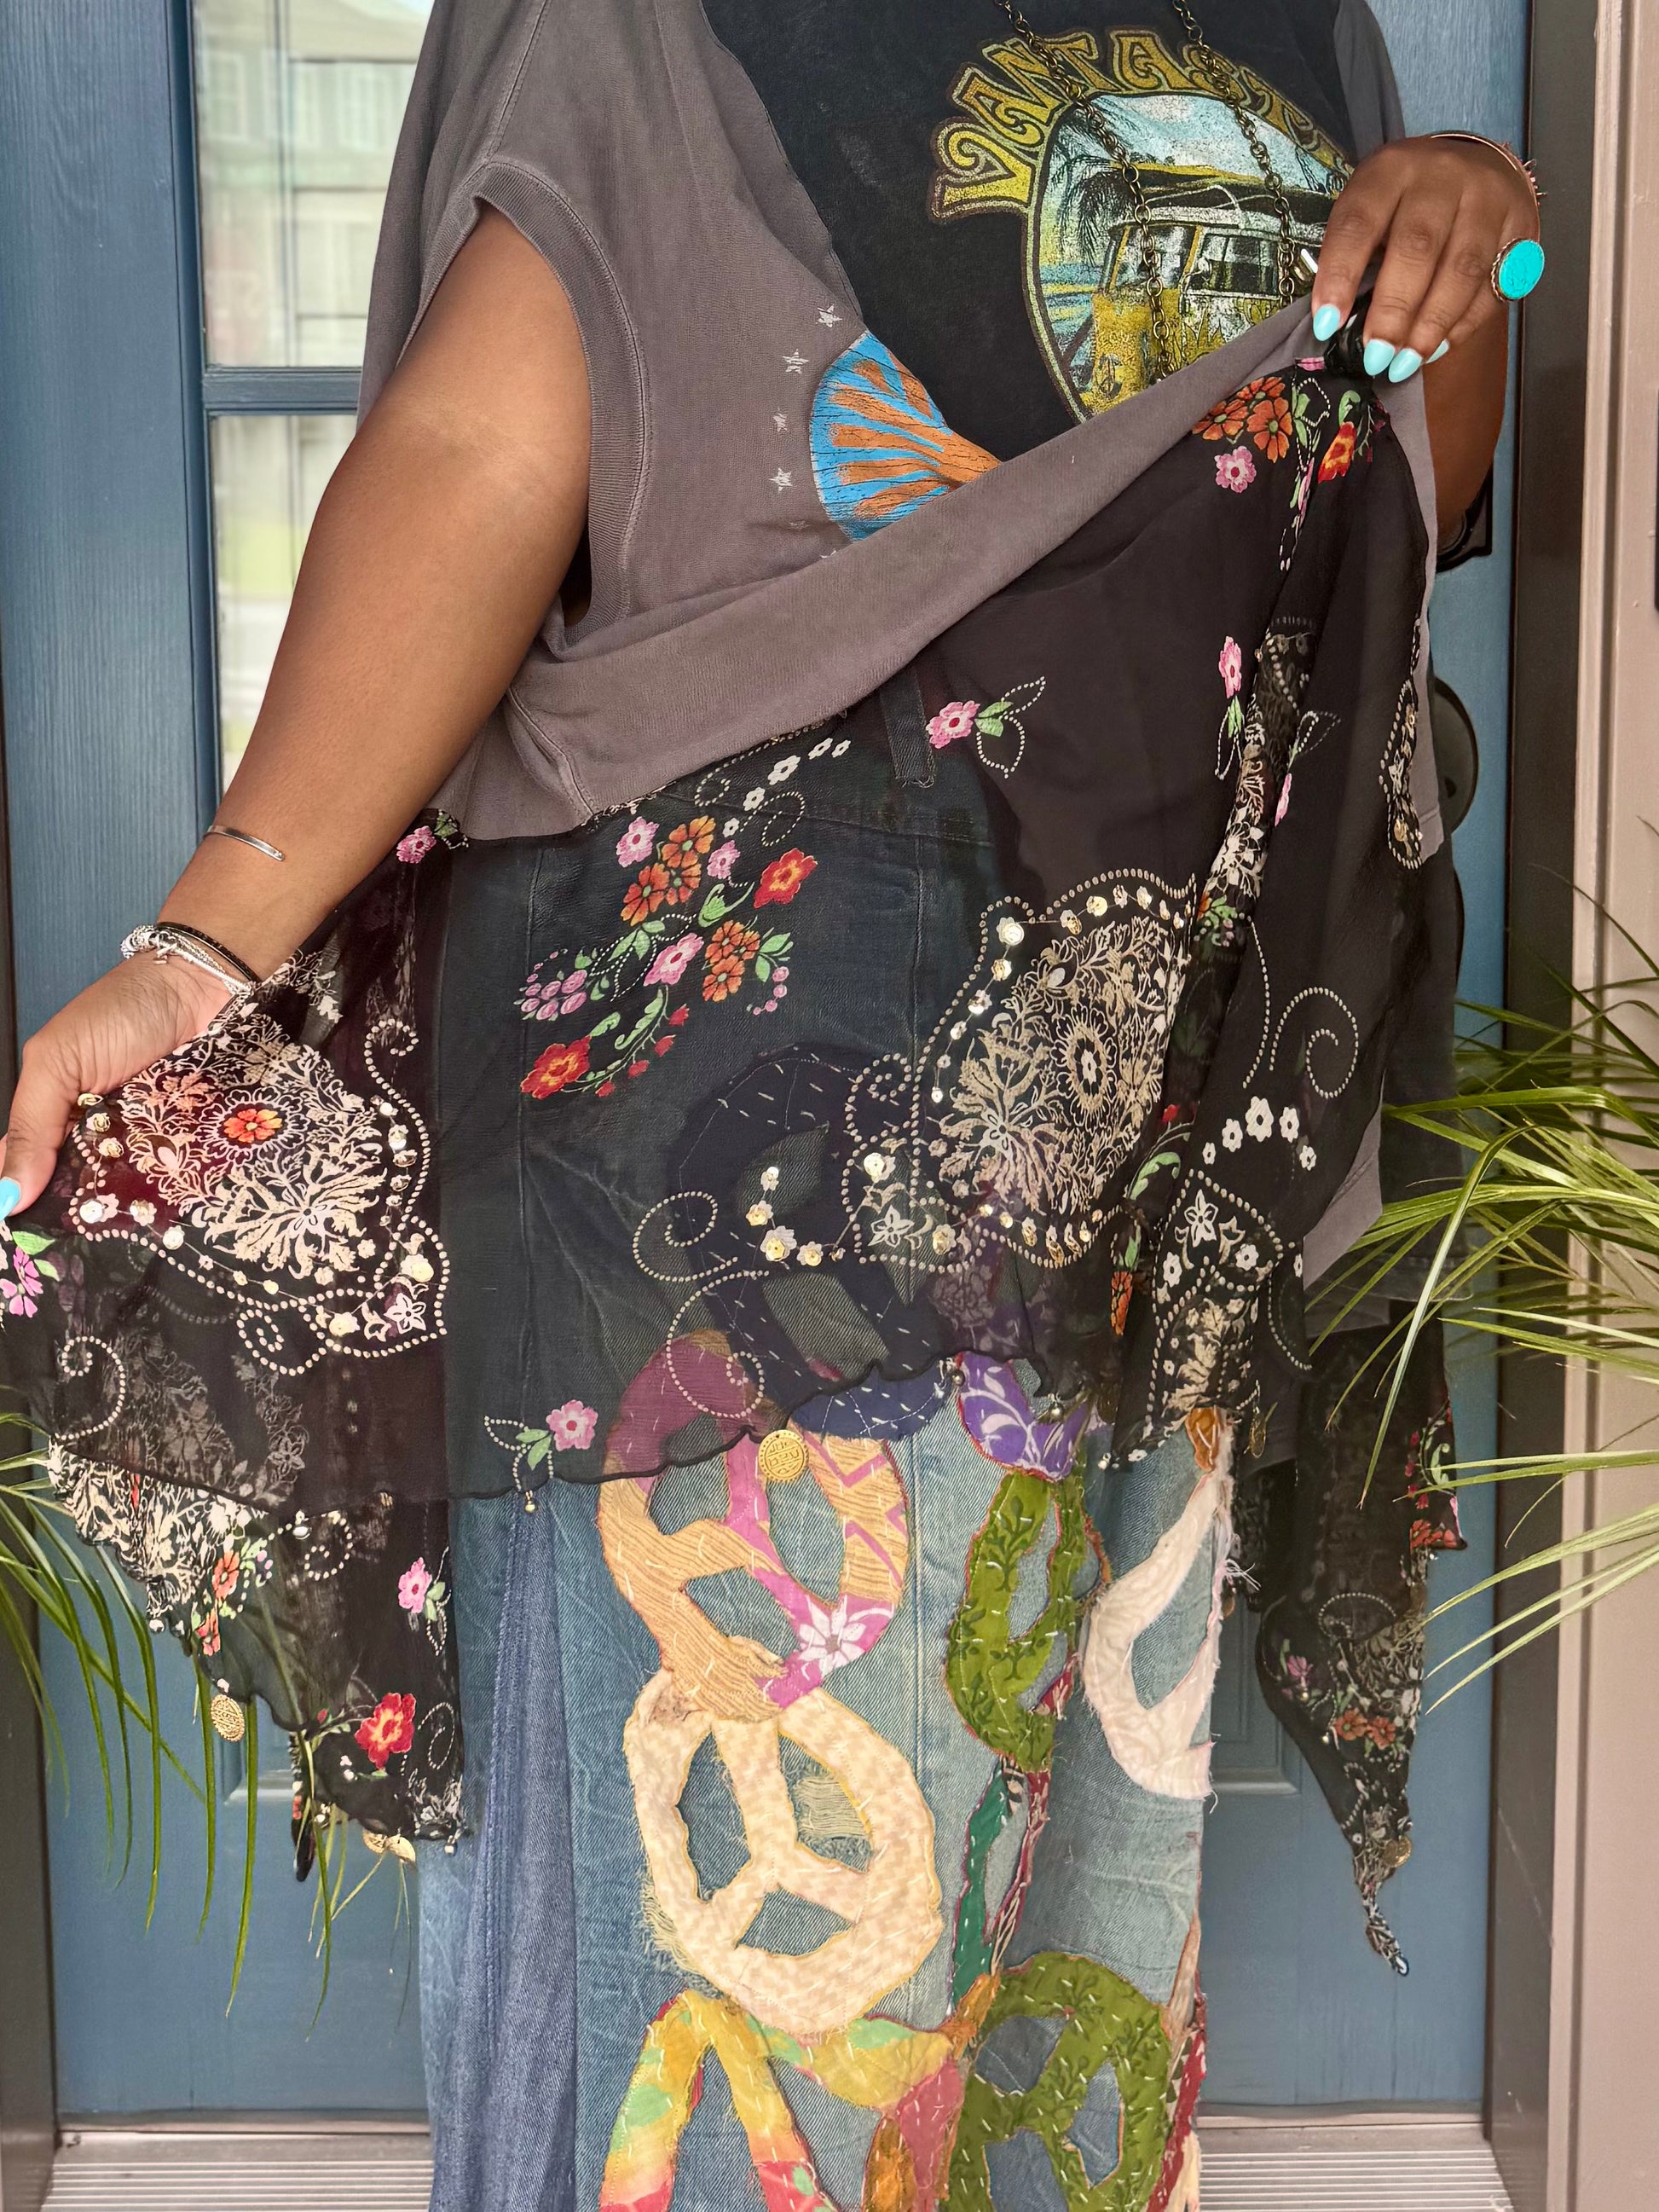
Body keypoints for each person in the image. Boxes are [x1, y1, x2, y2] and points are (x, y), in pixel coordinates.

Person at [0, 3, 1535, 2205]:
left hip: (1156, 1110)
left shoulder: (1304, 26)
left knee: (1069, 1914)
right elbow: (483, 447)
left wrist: (1470, 224)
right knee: (773, 1954)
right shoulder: (660, 21)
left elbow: (1399, 492)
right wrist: (205, 944)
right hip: (768, 1123)